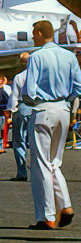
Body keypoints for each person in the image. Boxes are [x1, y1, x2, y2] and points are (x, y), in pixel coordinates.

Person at [22, 19, 81, 229]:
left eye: (34, 33)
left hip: (43, 109)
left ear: (40, 33)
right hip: (63, 109)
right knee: (54, 162)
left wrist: (29, 101)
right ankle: (65, 205)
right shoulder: (69, 56)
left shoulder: (36, 57)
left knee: (40, 164)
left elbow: (29, 91)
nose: (33, 37)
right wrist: (67, 99)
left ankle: (47, 215)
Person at [10, 53, 30, 181]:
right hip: (38, 108)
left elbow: (14, 98)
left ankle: (22, 172)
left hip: (23, 108)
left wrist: (11, 111)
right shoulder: (40, 76)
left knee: (19, 141)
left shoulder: (19, 76)